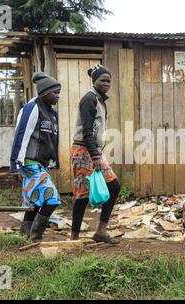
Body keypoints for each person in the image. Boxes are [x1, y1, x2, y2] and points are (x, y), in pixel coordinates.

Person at [71, 64, 121, 244]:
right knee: (82, 195)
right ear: (94, 81)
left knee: (114, 186)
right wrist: (95, 156)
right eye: (102, 80)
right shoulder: (89, 99)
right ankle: (74, 237)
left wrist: (98, 153)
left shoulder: (100, 100)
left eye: (109, 81)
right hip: (84, 151)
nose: (106, 83)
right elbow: (87, 132)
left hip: (94, 151)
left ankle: (101, 231)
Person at [10, 72, 61, 242]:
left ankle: (24, 236)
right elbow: (21, 135)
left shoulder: (53, 114)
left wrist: (54, 161)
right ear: (44, 92)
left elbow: (53, 140)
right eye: (54, 92)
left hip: (42, 164)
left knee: (33, 203)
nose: (58, 96)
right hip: (30, 163)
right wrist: (15, 164)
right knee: (51, 199)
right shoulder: (33, 107)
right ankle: (35, 237)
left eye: (59, 92)